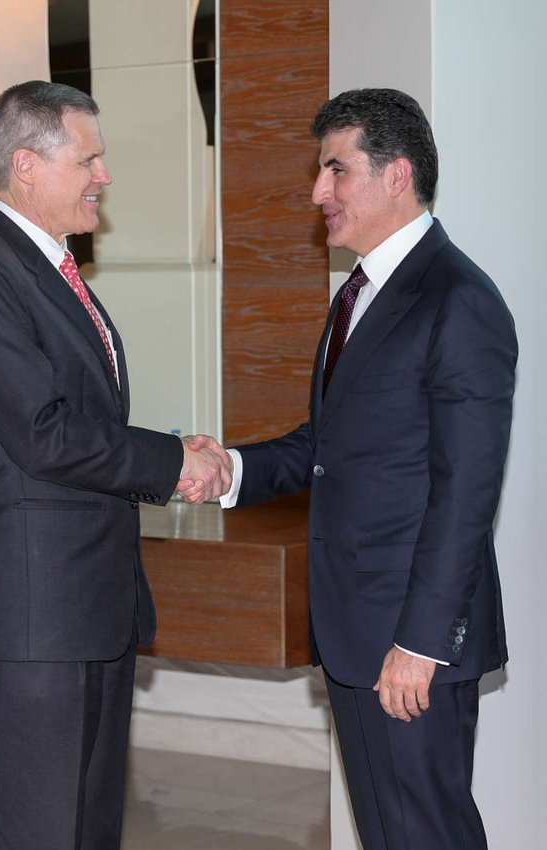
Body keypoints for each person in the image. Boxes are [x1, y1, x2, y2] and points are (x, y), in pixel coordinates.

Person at [207, 88, 517, 849]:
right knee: (385, 834)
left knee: (426, 834)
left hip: (409, 645)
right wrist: (230, 470)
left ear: (396, 175)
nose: (319, 193)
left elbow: (464, 494)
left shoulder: (458, 301)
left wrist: (419, 643)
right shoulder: (356, 297)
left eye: (335, 171)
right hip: (353, 634)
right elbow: (328, 446)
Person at [0, 80, 228, 849]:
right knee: (40, 830)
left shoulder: (49, 271)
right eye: (88, 158)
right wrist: (173, 462)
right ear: (25, 165)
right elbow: (43, 434)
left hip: (86, 602)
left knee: (88, 828)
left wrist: (175, 453)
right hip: (37, 610)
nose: (105, 175)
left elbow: (79, 424)